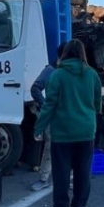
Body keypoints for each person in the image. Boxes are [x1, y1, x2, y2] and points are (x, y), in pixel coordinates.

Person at [34, 39, 102, 207]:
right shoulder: (92, 75)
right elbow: (97, 103)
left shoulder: (57, 75)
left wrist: (39, 127)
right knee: (82, 170)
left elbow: (49, 105)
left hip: (62, 132)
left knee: (61, 170)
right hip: (86, 130)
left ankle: (61, 205)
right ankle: (79, 205)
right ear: (82, 54)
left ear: (63, 55)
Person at [29, 42, 68, 192]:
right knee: (50, 147)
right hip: (55, 117)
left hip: (69, 116)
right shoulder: (51, 70)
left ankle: (69, 178)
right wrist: (45, 105)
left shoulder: (72, 72)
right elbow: (36, 88)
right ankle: (44, 179)